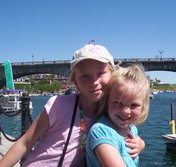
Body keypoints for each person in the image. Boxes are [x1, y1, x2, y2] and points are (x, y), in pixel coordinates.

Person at [0, 43, 145, 167]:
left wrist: (140, 143)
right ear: (75, 81)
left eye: (100, 73)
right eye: (85, 76)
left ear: (112, 75)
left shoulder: (113, 111)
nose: (94, 82)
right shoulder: (58, 105)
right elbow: (25, 143)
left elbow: (122, 133)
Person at [86, 64, 150, 167]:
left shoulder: (131, 128)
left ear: (143, 107)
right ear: (107, 101)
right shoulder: (101, 132)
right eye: (118, 103)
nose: (126, 111)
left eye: (134, 105)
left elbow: (136, 142)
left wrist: (141, 144)